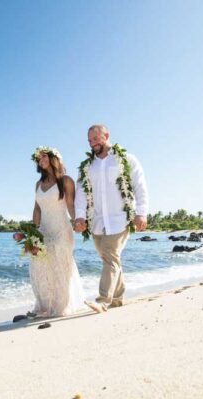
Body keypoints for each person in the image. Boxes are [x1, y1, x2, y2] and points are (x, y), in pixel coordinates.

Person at [74, 124, 149, 310]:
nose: (92, 143)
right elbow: (81, 192)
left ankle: (102, 301)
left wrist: (141, 213)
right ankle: (117, 299)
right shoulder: (87, 167)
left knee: (110, 257)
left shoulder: (126, 159)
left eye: (96, 138)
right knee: (111, 259)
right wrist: (80, 217)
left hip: (120, 220)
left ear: (106, 135)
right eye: (90, 140)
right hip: (97, 222)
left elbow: (140, 185)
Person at [28, 147, 88, 317]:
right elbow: (37, 209)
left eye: (44, 157)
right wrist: (33, 232)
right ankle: (45, 306)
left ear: (54, 158)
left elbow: (70, 205)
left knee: (61, 264)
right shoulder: (38, 185)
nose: (41, 161)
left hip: (62, 229)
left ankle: (62, 306)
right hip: (44, 230)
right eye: (38, 159)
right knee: (41, 265)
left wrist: (78, 220)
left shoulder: (66, 181)